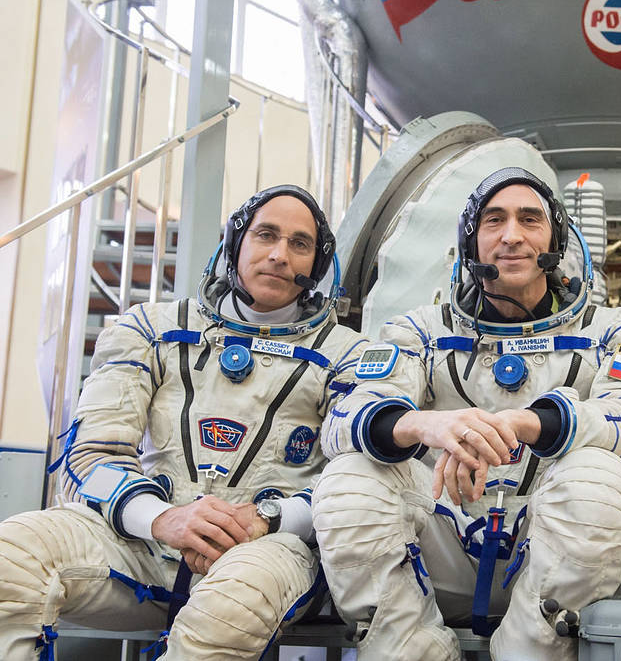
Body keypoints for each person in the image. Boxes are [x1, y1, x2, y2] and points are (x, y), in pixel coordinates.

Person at [313, 167, 621, 661]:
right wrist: (431, 425)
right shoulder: (418, 331)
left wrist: (523, 422)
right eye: (493, 221)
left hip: (555, 559)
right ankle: (412, 650)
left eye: (530, 220)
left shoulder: (617, 331)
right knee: (348, 478)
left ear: (556, 238)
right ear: (470, 242)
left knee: (601, 476)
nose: (512, 236)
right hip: (442, 546)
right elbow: (345, 417)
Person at [0, 185, 367, 660]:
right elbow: (89, 457)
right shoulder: (150, 330)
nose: (279, 255)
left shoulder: (348, 355)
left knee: (232, 605)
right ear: (235, 245)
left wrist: (265, 519)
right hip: (141, 543)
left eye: (299, 244)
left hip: (270, 551)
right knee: (13, 556)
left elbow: (354, 485)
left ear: (316, 266)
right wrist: (163, 519)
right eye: (265, 235)